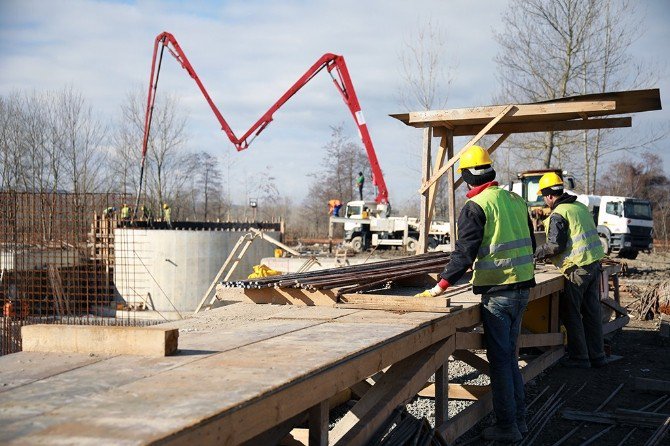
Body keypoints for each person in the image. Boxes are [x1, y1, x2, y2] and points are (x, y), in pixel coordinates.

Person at [416, 145, 536, 443]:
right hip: (522, 289)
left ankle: (508, 427)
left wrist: (439, 286)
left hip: (498, 296)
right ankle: (519, 422)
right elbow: (530, 245)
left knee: (501, 362)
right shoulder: (516, 200)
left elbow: (464, 254)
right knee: (510, 359)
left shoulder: (476, 206)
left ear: (468, 179)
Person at [534, 172, 606, 369]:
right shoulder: (580, 207)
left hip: (578, 270)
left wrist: (535, 253)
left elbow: (554, 246)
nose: (544, 201)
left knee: (571, 312)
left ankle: (580, 358)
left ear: (549, 196)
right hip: (593, 265)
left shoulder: (559, 214)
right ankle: (597, 356)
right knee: (591, 312)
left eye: (543, 197)